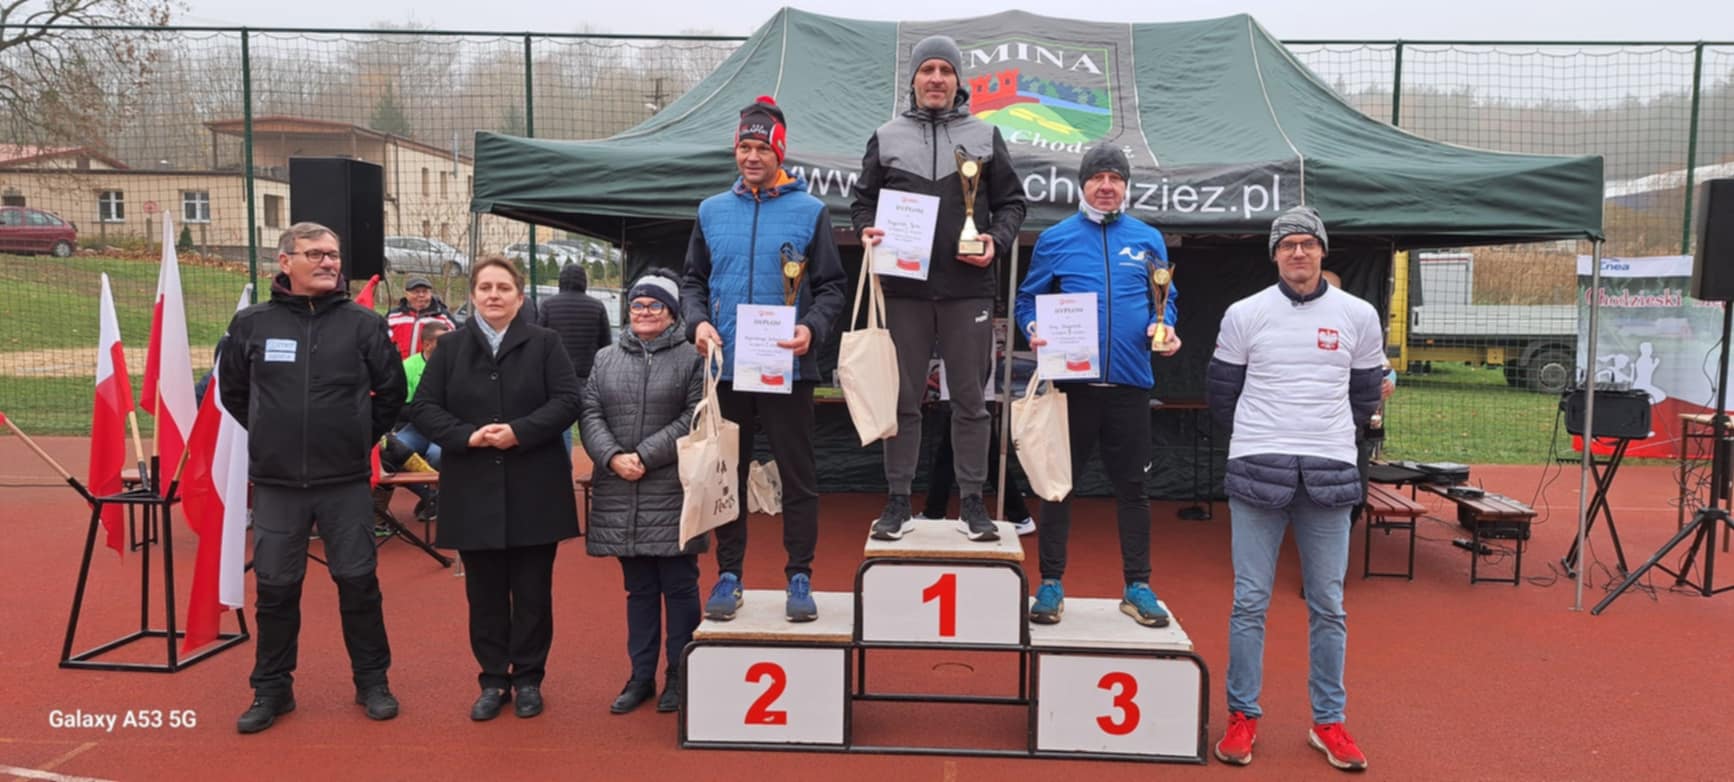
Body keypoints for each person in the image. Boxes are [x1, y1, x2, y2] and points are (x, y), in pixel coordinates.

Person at [1206, 207, 1384, 771]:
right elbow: (1221, 394)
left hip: (1329, 474)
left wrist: (1325, 435)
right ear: (1274, 255)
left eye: (1307, 243)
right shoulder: (1244, 313)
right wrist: (1263, 436)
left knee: (1329, 605)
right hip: (1257, 469)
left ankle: (1328, 722)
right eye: (1288, 245)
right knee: (1249, 602)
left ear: (1322, 250)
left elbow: (1365, 396)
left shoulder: (1359, 315)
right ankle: (1242, 716)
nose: (1298, 253)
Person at [218, 222, 407, 734]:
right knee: (276, 590)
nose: (328, 263)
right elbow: (233, 392)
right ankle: (272, 689)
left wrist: (355, 437)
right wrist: (272, 433)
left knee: (359, 584)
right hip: (277, 484)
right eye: (316, 254)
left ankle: (372, 682)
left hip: (344, 482)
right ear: (285, 262)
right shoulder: (251, 324)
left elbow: (391, 392)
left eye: (333, 254)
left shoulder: (364, 324)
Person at [853, 34, 1028, 542]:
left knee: (971, 400)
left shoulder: (985, 135)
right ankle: (898, 501)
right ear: (913, 80)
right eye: (927, 70)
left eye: (945, 70)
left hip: (967, 290)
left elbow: (1014, 203)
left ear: (958, 81)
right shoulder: (886, 136)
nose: (935, 78)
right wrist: (866, 230)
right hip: (903, 289)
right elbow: (862, 202)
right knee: (902, 399)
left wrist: (996, 239)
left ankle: (972, 501)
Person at [680, 96, 846, 623]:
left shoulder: (811, 211)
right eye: (744, 147)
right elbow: (691, 281)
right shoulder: (710, 211)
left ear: (780, 152)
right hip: (727, 367)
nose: (752, 157)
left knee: (798, 476)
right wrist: (696, 322)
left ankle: (800, 574)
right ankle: (730, 575)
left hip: (786, 366)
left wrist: (811, 328)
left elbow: (832, 287)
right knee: (726, 474)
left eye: (762, 148)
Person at [408, 253, 582, 722]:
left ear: (519, 297)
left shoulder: (545, 343)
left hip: (535, 488)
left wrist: (519, 431)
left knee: (532, 593)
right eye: (485, 287)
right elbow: (424, 407)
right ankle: (492, 680)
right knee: (483, 595)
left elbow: (568, 401)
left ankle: (528, 679)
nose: (494, 295)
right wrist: (466, 435)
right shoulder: (450, 347)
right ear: (473, 295)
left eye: (503, 288)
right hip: (473, 488)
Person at [1014, 144, 1181, 628]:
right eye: (1098, 178)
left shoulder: (1148, 238)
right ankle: (1050, 584)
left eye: (1115, 178)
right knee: (1057, 488)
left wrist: (1166, 326)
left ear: (1126, 186)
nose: (1106, 186)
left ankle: (1138, 586)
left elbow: (1166, 297)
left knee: (1134, 489)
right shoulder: (1055, 239)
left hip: (1130, 386)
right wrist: (1033, 328)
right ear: (1082, 184)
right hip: (1073, 388)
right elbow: (1028, 300)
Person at [581, 269, 706, 715]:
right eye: (637, 304)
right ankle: (641, 677)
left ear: (672, 313)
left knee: (679, 585)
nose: (645, 312)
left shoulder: (693, 358)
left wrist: (645, 456)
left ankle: (680, 674)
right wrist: (613, 456)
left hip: (673, 488)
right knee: (638, 589)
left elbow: (696, 416)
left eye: (655, 305)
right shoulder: (605, 358)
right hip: (620, 488)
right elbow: (589, 412)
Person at [537, 262, 615, 453]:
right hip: (588, 377)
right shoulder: (597, 306)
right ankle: (601, 462)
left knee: (561, 424)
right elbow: (606, 345)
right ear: (584, 281)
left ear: (561, 281)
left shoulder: (548, 305)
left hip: (556, 378)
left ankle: (564, 464)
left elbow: (538, 342)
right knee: (592, 425)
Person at [393, 319, 447, 521]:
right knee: (391, 453)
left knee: (437, 455)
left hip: (443, 427)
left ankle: (439, 498)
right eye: (443, 342)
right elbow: (400, 407)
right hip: (416, 427)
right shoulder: (409, 366)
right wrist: (425, 413)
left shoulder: (456, 364)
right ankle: (429, 495)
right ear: (427, 344)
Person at [386, 276, 456, 358]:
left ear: (430, 294)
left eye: (425, 291)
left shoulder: (443, 316)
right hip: (399, 364)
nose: (421, 295)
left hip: (430, 364)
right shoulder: (393, 316)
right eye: (416, 292)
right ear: (406, 294)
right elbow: (383, 340)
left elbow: (455, 341)